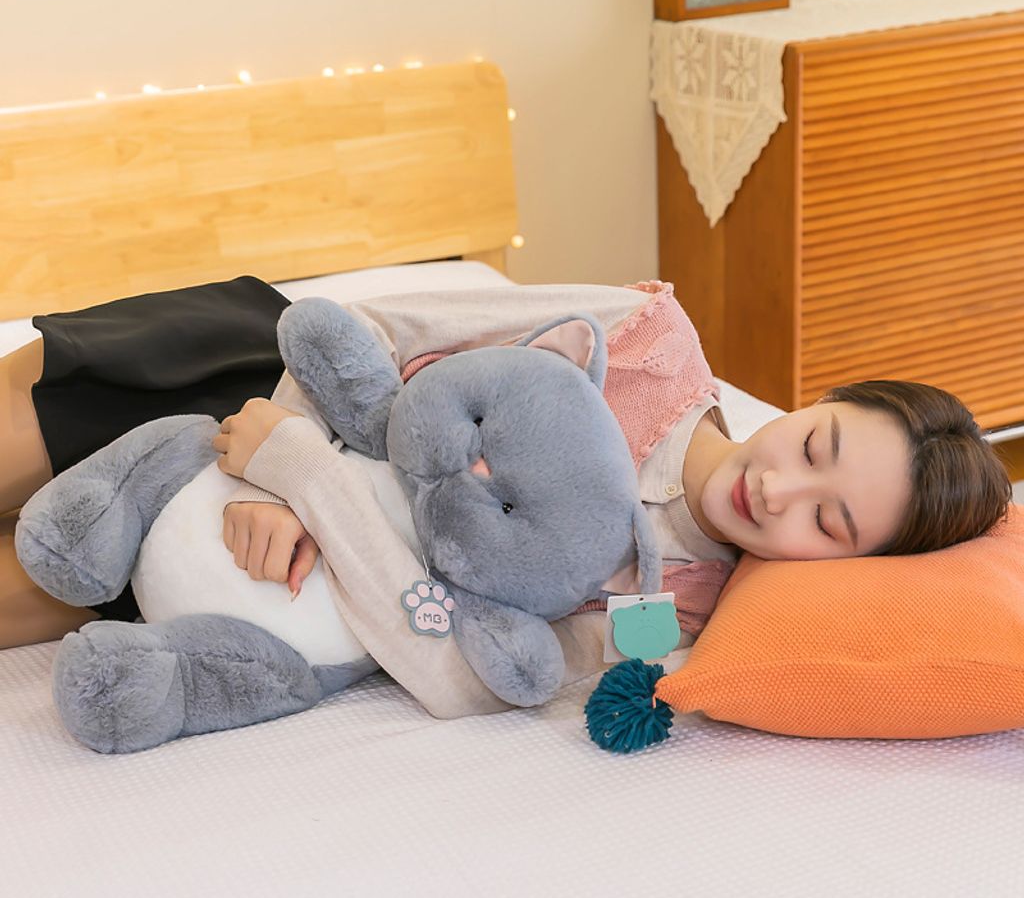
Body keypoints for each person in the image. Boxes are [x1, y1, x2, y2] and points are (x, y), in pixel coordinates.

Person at [0, 279, 1013, 652]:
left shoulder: (681, 604)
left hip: (268, 565)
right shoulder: (642, 334)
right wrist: (266, 468)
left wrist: (315, 496)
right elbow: (372, 321)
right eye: (813, 444)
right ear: (816, 400)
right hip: (257, 376)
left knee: (31, 586)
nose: (775, 488)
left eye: (826, 523)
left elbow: (458, 645)